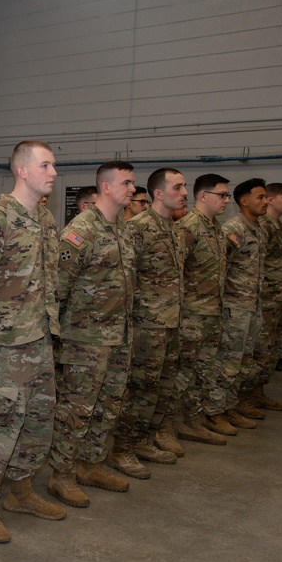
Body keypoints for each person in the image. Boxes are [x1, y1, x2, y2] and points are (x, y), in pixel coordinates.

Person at [0, 140, 64, 543]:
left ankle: (21, 491)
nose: (53, 172)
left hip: (39, 338)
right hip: (2, 345)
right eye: (46, 165)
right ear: (22, 171)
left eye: (53, 165)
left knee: (38, 421)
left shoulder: (47, 220)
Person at [47, 161, 136, 508]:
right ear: (106, 187)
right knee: (77, 410)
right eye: (126, 183)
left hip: (118, 334)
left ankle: (91, 464)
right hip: (86, 339)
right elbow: (60, 287)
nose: (131, 189)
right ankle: (62, 474)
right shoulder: (81, 230)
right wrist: (62, 338)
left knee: (108, 406)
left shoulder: (122, 229)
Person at [110, 168, 186, 480]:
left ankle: (143, 440)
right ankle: (122, 449)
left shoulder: (174, 228)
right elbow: (125, 277)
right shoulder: (138, 227)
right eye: (178, 187)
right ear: (158, 193)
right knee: (140, 389)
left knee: (160, 389)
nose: (184, 192)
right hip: (146, 325)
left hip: (170, 322)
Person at [203, 178, 267, 435]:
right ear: (245, 201)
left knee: (243, 360)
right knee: (228, 361)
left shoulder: (258, 228)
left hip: (251, 305)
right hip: (233, 308)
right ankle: (213, 412)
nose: (265, 201)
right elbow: (220, 267)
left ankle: (229, 406)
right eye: (260, 197)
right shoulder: (234, 229)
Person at [172, 174, 231, 447]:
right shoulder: (189, 228)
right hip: (191, 316)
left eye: (228, 195)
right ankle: (163, 428)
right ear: (204, 196)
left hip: (212, 314)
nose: (226, 200)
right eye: (222, 195)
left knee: (203, 373)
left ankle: (192, 423)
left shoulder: (216, 229)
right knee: (182, 375)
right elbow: (175, 272)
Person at [249, 183, 282, 411]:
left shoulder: (280, 227)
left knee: (273, 347)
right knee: (260, 348)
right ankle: (245, 395)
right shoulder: (263, 227)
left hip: (278, 298)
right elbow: (256, 264)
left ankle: (258, 391)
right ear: (271, 199)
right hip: (265, 299)